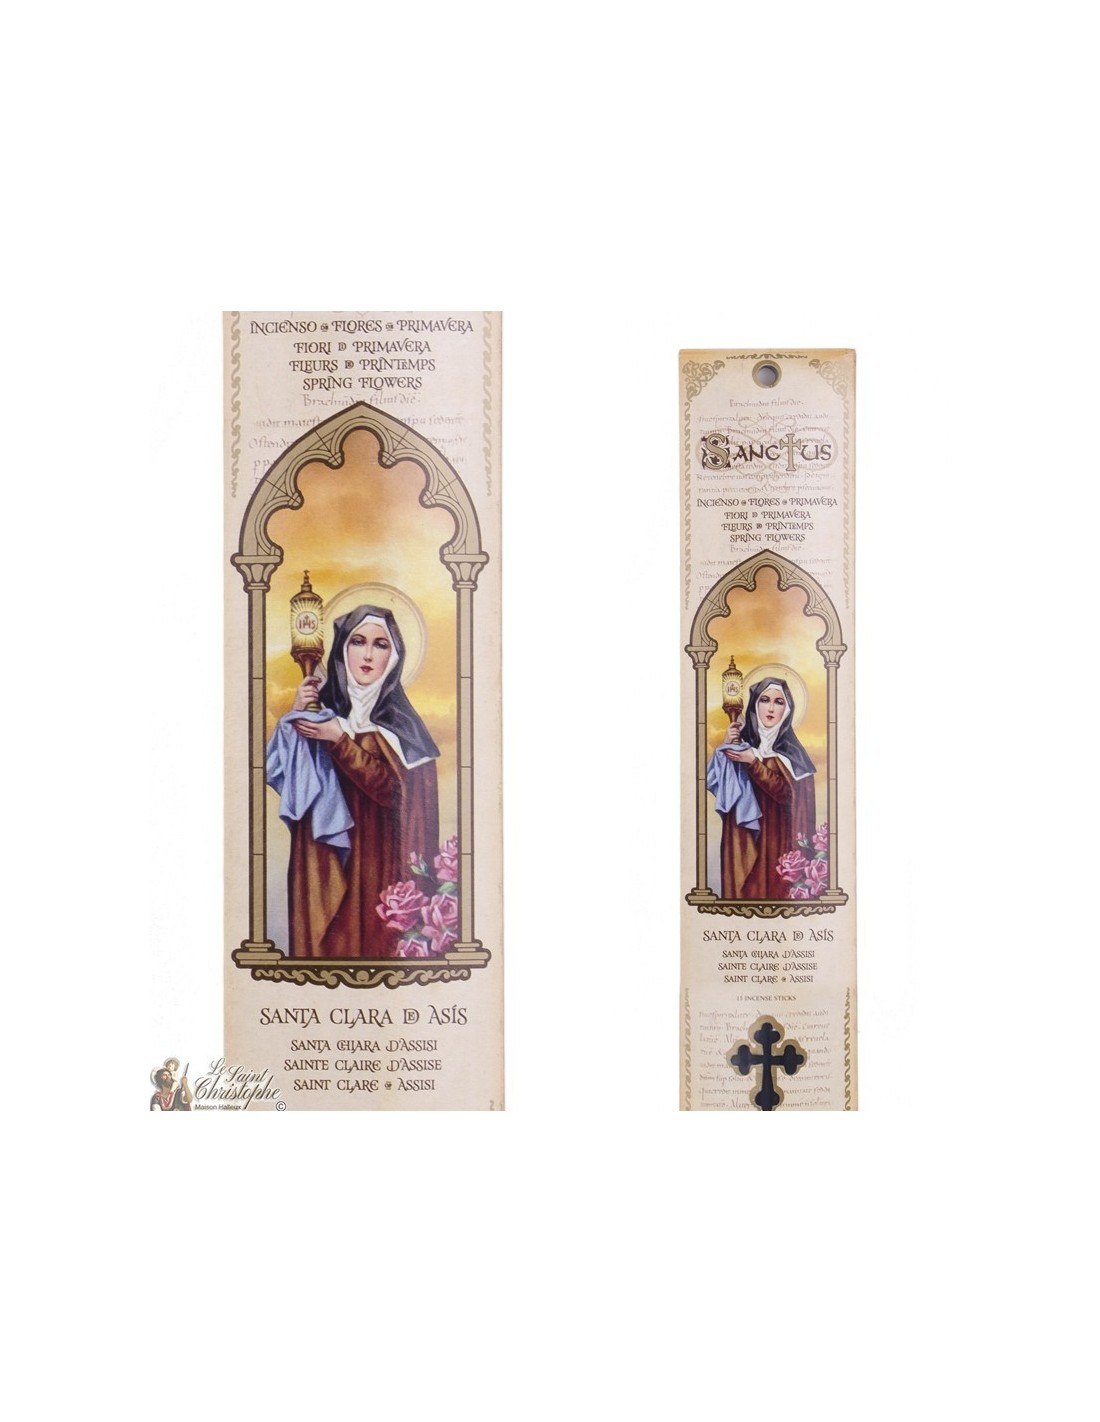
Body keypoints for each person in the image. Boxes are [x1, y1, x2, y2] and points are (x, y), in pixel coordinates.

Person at [266, 605, 440, 958]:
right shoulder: (324, 716)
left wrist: (340, 740)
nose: (368, 655)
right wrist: (296, 716)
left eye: (380, 644)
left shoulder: (405, 730)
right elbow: (281, 774)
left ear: (394, 657)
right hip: (326, 866)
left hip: (379, 866)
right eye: (358, 642)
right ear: (342, 650)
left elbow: (394, 794)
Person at [708, 677, 816, 900]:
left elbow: (788, 796)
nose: (771, 708)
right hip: (745, 842)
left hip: (778, 840)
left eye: (779, 702)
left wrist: (753, 763)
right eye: (764, 700)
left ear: (787, 710)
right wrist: (726, 746)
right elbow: (716, 784)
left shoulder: (794, 756)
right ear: (754, 705)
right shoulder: (743, 747)